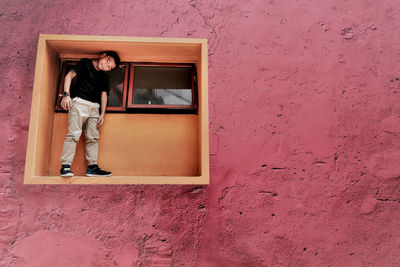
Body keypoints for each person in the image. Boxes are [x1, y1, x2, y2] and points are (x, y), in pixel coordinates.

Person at [59, 51, 120, 177]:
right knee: (73, 134)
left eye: (110, 67)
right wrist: (66, 95)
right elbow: (69, 76)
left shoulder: (103, 77)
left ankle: (92, 168)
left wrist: (102, 113)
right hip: (79, 103)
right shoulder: (85, 63)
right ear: (103, 55)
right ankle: (65, 166)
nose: (106, 66)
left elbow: (104, 95)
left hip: (94, 108)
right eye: (108, 61)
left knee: (92, 138)